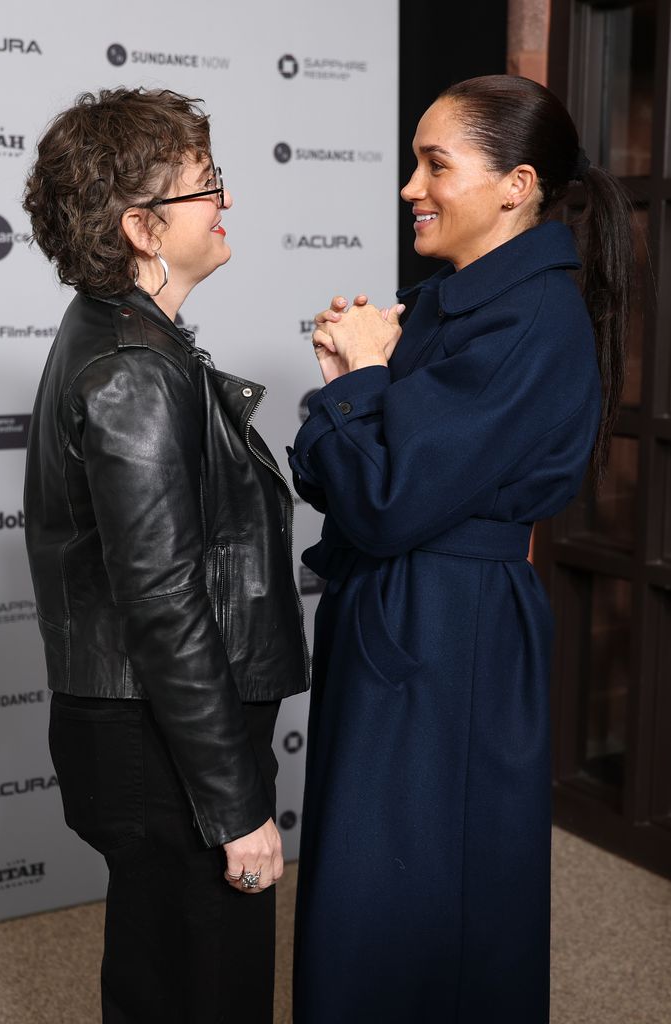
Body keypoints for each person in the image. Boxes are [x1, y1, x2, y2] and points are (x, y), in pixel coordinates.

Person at [288, 74, 633, 1023]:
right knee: (373, 879)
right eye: (413, 161)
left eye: (435, 163)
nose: (411, 185)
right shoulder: (444, 304)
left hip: (449, 625)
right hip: (403, 608)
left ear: (516, 184)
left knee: (411, 892)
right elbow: (334, 481)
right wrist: (348, 390)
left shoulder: (529, 319)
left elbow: (386, 499)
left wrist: (355, 382)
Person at [22, 87, 309, 1024]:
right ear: (144, 227)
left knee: (160, 978)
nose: (226, 204)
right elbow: (162, 603)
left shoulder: (123, 337)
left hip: (154, 734)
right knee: (204, 990)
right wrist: (235, 804)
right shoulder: (135, 370)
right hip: (165, 747)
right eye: (207, 186)